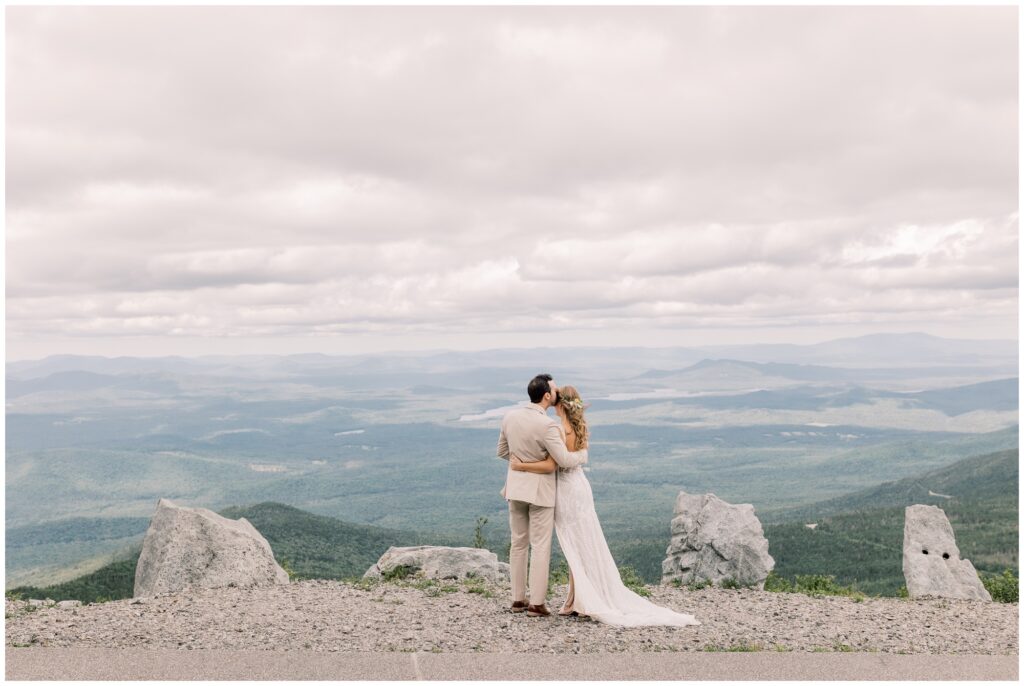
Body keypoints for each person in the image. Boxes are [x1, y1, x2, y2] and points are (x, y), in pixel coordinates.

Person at [509, 384, 701, 627]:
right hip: (579, 486)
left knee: (574, 545)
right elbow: (573, 457)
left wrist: (521, 465)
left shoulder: (557, 429)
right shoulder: (577, 427)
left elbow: (552, 465)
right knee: (581, 543)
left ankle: (577, 601)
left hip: (567, 491)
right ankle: (575, 599)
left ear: (560, 403)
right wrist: (581, 457)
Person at [496, 374, 588, 617]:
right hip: (540, 492)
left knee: (518, 543)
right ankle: (536, 603)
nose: (557, 392)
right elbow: (564, 460)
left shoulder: (509, 416)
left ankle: (517, 599)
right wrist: (583, 455)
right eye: (555, 389)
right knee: (540, 546)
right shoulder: (548, 426)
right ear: (547, 395)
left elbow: (503, 451)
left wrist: (522, 464)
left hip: (515, 488)